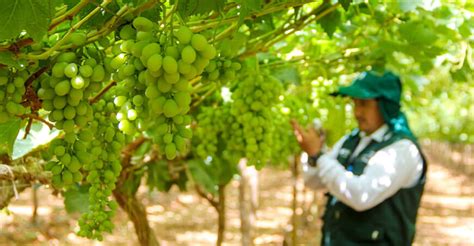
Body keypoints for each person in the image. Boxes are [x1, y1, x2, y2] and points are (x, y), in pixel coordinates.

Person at [291, 71, 427, 246]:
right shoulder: (352, 140)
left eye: (364, 104)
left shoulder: (402, 150)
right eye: (354, 103)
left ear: (385, 105)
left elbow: (361, 195)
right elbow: (315, 181)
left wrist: (319, 155)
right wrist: (312, 155)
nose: (357, 112)